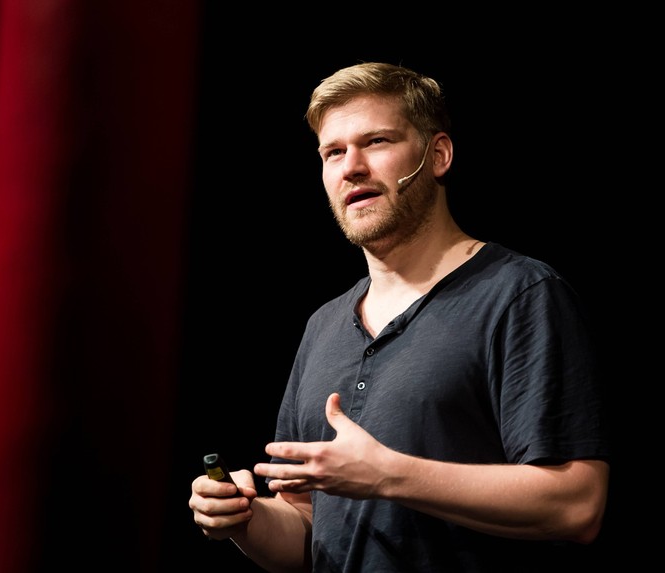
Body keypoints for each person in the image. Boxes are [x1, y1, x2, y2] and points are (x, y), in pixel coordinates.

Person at [189, 61, 611, 572]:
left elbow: (576, 504)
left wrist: (388, 475)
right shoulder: (322, 325)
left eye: (377, 142)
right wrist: (245, 519)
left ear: (438, 155)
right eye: (333, 152)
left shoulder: (519, 295)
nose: (352, 167)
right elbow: (306, 529)